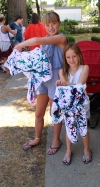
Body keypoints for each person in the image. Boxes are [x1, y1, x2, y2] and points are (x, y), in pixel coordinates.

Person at [14, 11, 67, 154]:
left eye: (54, 23)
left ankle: (57, 139)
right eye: (47, 25)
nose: (51, 27)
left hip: (56, 77)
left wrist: (19, 45)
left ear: (59, 23)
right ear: (44, 26)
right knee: (39, 113)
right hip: (43, 77)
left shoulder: (61, 38)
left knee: (54, 111)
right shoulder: (45, 39)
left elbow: (36, 41)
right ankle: (37, 137)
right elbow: (38, 58)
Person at [55, 43, 91, 165]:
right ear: (65, 59)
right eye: (68, 57)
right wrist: (61, 84)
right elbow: (64, 88)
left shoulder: (85, 68)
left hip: (81, 103)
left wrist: (65, 84)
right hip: (68, 104)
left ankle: (86, 149)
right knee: (69, 127)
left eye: (74, 56)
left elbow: (80, 86)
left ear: (79, 55)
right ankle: (68, 150)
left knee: (83, 127)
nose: (72, 60)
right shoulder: (62, 71)